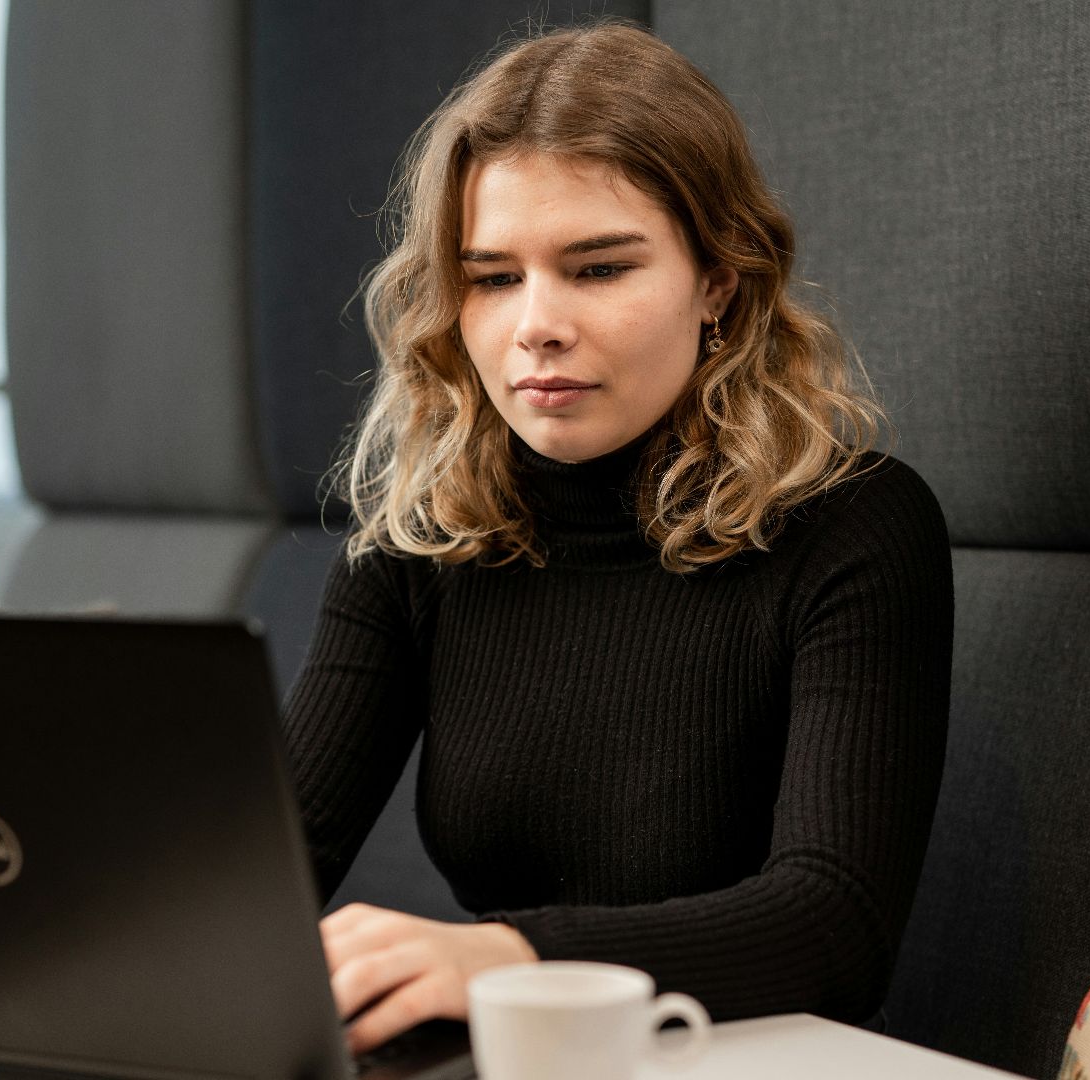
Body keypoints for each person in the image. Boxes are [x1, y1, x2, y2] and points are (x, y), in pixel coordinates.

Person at [281, 20, 953, 1055]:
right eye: (492, 276)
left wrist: (503, 956)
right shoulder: (418, 540)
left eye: (596, 269)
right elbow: (272, 868)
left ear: (718, 279)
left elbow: (835, 924)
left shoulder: (855, 525)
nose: (534, 324)